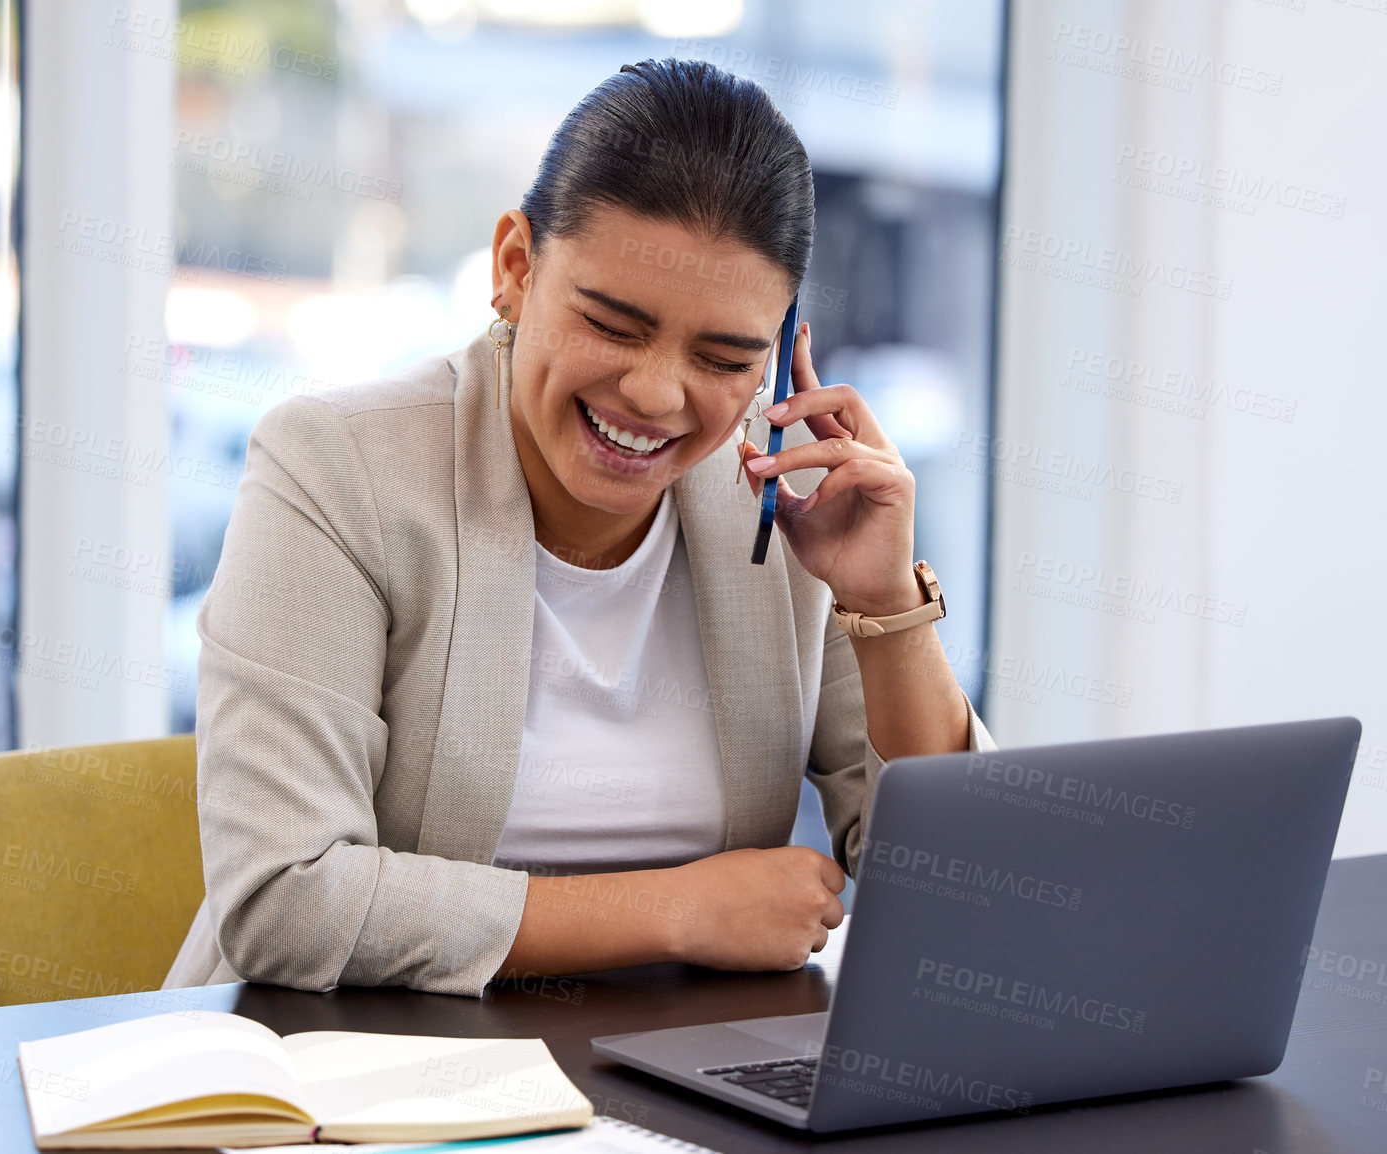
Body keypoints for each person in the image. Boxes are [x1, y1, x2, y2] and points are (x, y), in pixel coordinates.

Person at [164, 58, 994, 997]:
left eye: (723, 357)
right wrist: (677, 909)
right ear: (515, 269)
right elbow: (284, 896)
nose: (655, 395)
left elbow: (966, 898)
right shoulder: (339, 466)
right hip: (362, 1088)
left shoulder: (778, 503)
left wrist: (884, 606)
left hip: (666, 1083)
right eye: (612, 324)